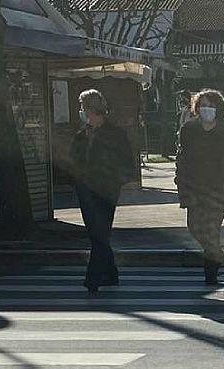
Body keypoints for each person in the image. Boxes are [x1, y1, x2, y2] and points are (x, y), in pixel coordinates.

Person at [175, 89, 224, 285]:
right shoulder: (189, 129)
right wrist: (180, 182)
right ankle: (218, 255)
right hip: (195, 187)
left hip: (220, 187)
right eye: (203, 105)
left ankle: (210, 275)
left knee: (211, 229)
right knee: (194, 226)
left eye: (211, 105)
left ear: (219, 108)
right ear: (197, 108)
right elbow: (182, 158)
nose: (207, 109)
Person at [69, 89, 136, 293]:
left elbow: (126, 162)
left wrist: (116, 180)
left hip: (106, 189)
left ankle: (93, 278)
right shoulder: (82, 134)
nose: (81, 111)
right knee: (97, 233)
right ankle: (111, 273)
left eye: (83, 107)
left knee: (100, 232)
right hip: (85, 189)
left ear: (91, 108)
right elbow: (74, 159)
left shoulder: (115, 134)